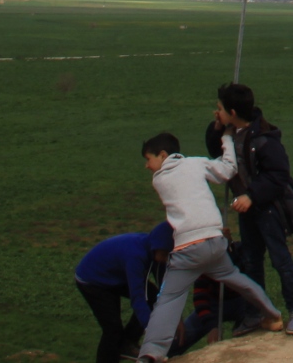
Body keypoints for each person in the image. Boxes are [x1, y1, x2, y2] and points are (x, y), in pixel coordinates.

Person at [135, 131, 280, 361]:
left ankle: (151, 353)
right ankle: (272, 314)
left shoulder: (159, 179)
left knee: (169, 299)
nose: (147, 166)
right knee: (236, 278)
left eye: (148, 159)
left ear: (162, 155)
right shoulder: (196, 163)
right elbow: (228, 169)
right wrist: (227, 139)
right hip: (215, 241)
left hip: (188, 248)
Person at [211, 83, 293, 335]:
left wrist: (251, 196)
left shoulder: (264, 139)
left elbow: (278, 175)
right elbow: (216, 153)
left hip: (267, 210)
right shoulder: (230, 133)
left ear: (233, 112)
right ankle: (255, 313)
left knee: (280, 259)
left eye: (219, 108)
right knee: (251, 261)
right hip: (248, 212)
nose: (216, 111)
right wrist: (217, 128)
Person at [73, 223, 171, 363]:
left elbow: (163, 285)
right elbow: (138, 297)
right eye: (165, 255)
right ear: (156, 247)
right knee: (113, 329)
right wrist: (151, 329)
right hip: (92, 280)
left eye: (169, 255)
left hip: (116, 275)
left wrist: (173, 315)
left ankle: (127, 344)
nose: (166, 259)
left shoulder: (154, 250)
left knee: (153, 297)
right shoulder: (135, 256)